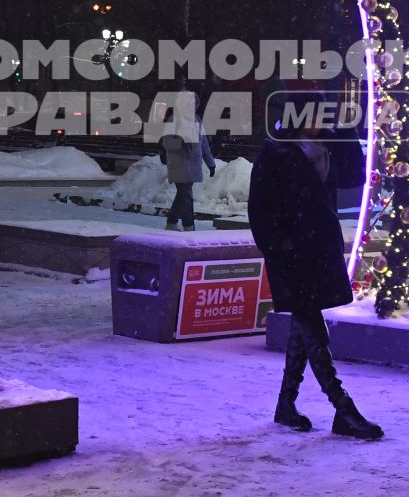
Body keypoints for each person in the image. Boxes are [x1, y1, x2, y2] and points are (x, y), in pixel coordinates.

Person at [249, 114, 382, 440]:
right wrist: (279, 244)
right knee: (313, 330)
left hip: (319, 251)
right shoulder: (275, 153)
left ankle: (286, 405)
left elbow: (355, 176)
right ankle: (343, 408)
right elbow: (259, 209)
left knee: (302, 327)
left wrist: (346, 131)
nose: (318, 121)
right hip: (292, 255)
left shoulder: (323, 150)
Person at [159, 89, 216, 231]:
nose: (193, 106)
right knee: (186, 196)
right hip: (179, 165)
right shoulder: (174, 119)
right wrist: (181, 142)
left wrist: (211, 163)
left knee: (183, 195)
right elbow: (167, 142)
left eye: (195, 103)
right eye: (190, 103)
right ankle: (189, 226)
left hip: (192, 165)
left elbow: (204, 144)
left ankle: (171, 222)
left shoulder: (196, 120)